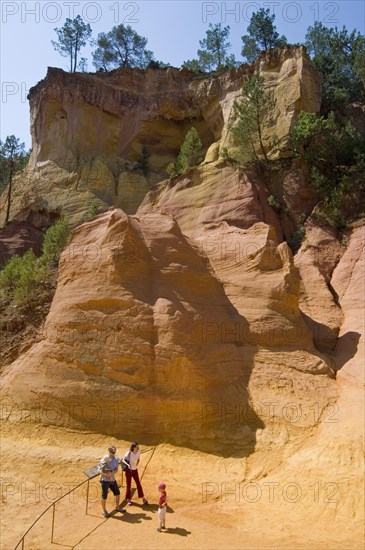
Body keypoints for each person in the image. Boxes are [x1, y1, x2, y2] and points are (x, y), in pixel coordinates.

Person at [98, 445, 125, 518]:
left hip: (112, 479)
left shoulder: (116, 459)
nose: (114, 453)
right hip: (105, 480)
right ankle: (104, 511)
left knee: (117, 493)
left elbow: (116, 469)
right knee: (104, 496)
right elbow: (99, 470)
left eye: (115, 452)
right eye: (112, 452)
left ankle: (117, 507)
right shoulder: (104, 459)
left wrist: (112, 473)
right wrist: (106, 475)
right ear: (109, 452)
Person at [121, 442, 148, 506]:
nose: (138, 448)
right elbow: (123, 460)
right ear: (133, 447)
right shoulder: (129, 453)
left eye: (138, 446)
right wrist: (128, 465)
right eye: (137, 447)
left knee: (138, 484)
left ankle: (143, 498)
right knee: (129, 485)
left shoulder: (138, 451)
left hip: (135, 470)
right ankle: (128, 499)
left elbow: (138, 459)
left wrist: (137, 464)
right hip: (129, 471)